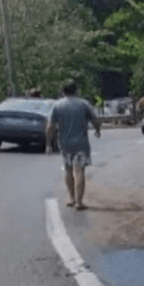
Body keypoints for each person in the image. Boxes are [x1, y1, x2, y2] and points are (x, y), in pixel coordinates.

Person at [46, 80, 101, 210]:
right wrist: (98, 131)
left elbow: (50, 127)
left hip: (65, 144)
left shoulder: (57, 106)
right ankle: (79, 202)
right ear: (76, 91)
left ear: (63, 91)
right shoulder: (84, 104)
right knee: (80, 170)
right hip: (81, 143)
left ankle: (71, 198)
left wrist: (48, 144)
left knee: (68, 169)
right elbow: (95, 120)